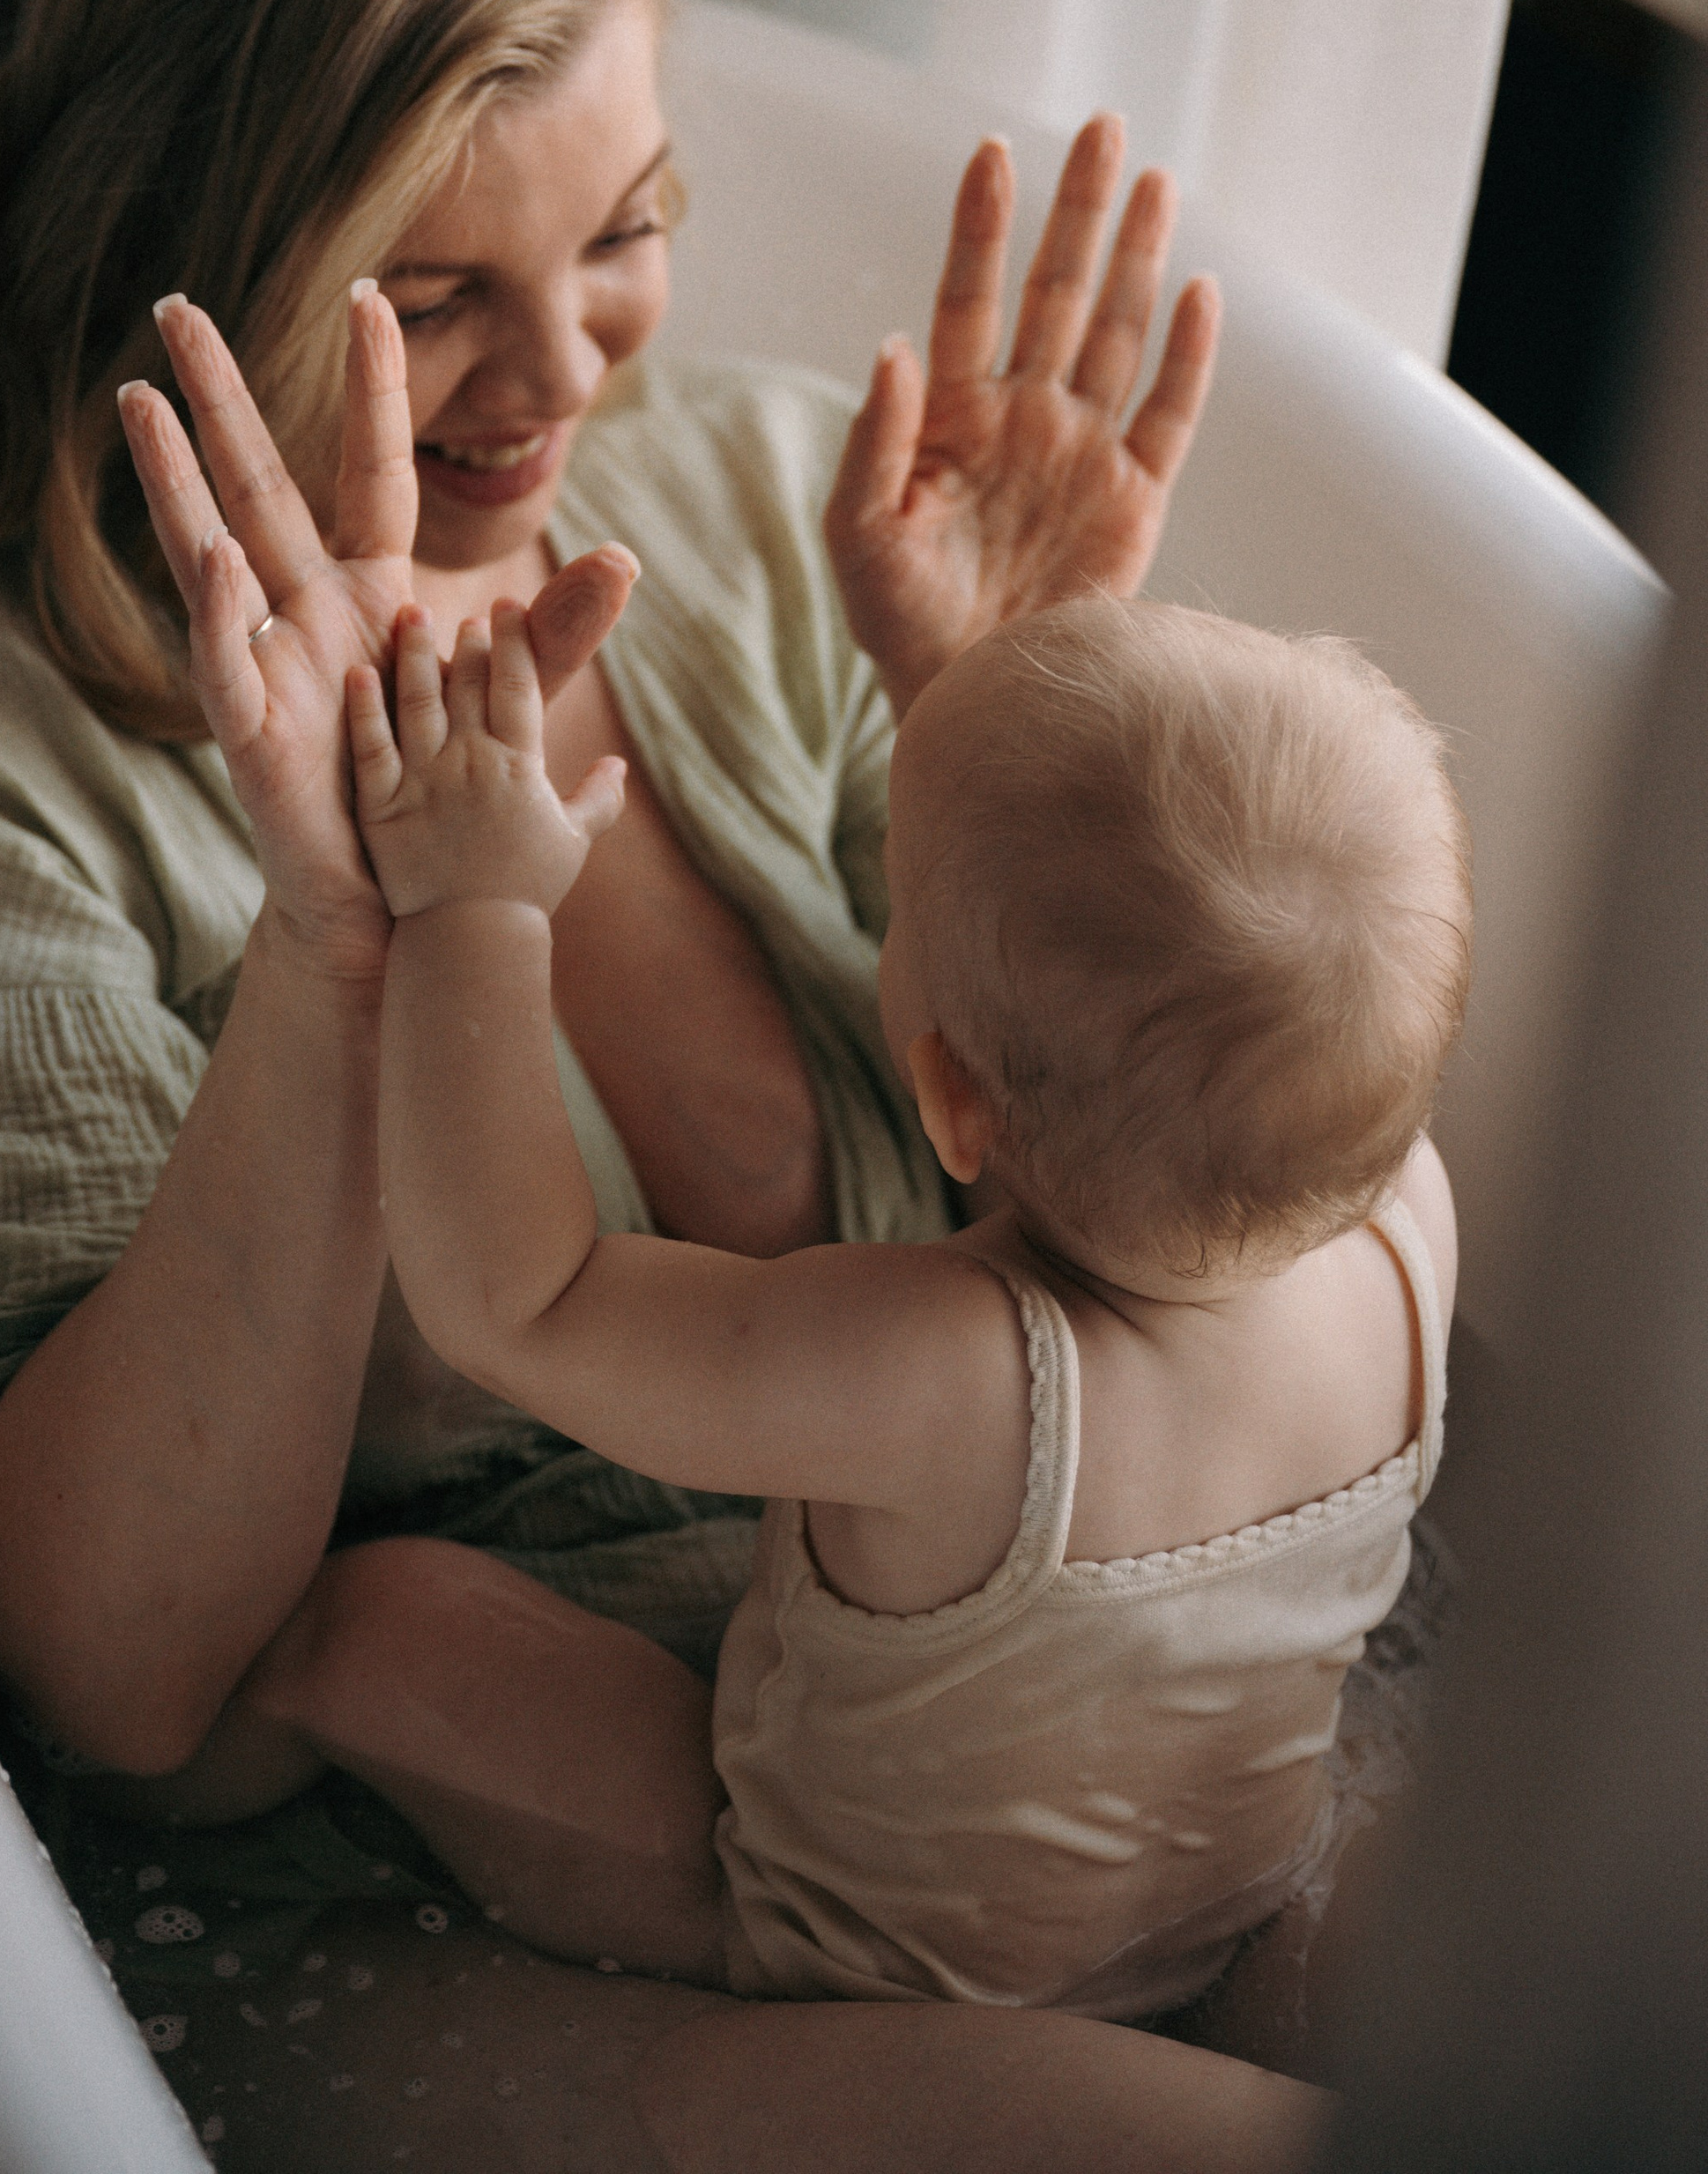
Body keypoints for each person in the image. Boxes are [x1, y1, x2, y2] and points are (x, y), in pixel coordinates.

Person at [0, 0, 1319, 2168]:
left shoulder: (740, 513)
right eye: (428, 299)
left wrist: (991, 718)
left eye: (623, 235)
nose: (563, 379)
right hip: (407, 1909)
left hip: (979, 1716)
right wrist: (333, 943)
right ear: (146, 282)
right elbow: (123, 1677)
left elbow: (1056, 1247)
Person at [167, 588, 1463, 2034]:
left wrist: (476, 904)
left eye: (897, 907)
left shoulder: (960, 1376)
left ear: (953, 1103)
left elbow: (521, 1303)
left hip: (863, 1961)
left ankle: (142, 1820)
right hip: (1223, 1903)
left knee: (378, 1628)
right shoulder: (1414, 1221)